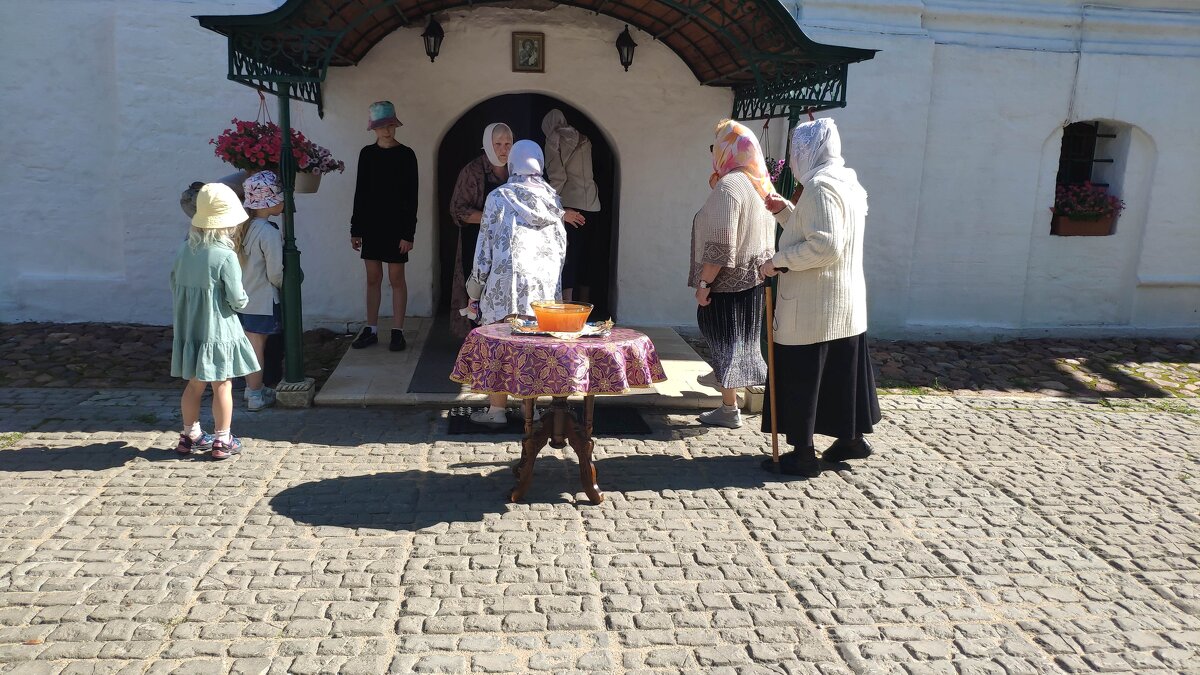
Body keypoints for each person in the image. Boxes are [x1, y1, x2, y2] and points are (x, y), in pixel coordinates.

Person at [759, 118, 881, 477]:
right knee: (841, 376)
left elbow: (825, 245)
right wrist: (784, 213)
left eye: (796, 149)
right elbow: (816, 229)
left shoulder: (820, 186)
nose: (794, 157)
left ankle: (803, 454)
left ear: (807, 151)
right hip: (843, 304)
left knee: (803, 377)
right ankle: (851, 439)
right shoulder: (847, 182)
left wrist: (777, 262)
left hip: (816, 305)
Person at [465, 140, 567, 427]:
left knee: (501, 342)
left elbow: (485, 243)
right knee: (532, 344)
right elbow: (561, 246)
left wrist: (476, 283)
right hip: (542, 284)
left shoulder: (499, 197)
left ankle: (496, 411)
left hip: (505, 282)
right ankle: (530, 410)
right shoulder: (552, 199)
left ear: (512, 164)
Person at [690, 119, 777, 430]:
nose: (712, 153)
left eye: (715, 147)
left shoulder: (730, 186)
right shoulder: (760, 184)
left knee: (726, 340)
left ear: (728, 149)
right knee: (739, 344)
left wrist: (704, 283)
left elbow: (721, 242)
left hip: (728, 282)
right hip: (754, 280)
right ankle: (726, 395)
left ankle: (728, 406)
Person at [170, 183, 259, 460]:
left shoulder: (184, 250)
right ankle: (222, 439)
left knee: (195, 383)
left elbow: (174, 284)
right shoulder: (225, 255)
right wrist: (242, 302)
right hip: (218, 328)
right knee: (223, 383)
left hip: (190, 327)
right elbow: (236, 297)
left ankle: (189, 435)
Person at [350, 100, 418, 351]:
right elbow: (361, 192)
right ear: (373, 129)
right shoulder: (366, 154)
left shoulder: (406, 154)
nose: (386, 131)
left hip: (397, 226)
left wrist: (407, 233)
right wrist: (355, 228)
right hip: (371, 225)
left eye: (390, 126)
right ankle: (371, 328)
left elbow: (412, 196)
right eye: (381, 127)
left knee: (396, 277)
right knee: (372, 277)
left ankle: (398, 331)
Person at [237, 171, 285, 412]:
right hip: (263, 298)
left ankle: (250, 388)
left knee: (251, 344)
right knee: (257, 348)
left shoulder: (246, 228)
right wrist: (281, 285)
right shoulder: (268, 232)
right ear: (269, 201)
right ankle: (255, 394)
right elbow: (276, 271)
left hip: (244, 296)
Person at [542, 109, 598, 302]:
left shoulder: (553, 140)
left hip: (569, 206)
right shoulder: (584, 139)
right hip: (592, 204)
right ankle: (584, 305)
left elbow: (558, 176)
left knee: (568, 257)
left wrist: (545, 200)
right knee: (586, 257)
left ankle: (567, 306)